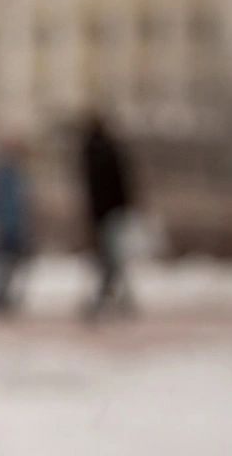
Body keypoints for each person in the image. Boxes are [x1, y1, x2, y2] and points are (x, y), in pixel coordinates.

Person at [77, 112, 137, 320]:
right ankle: (110, 300)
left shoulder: (89, 151)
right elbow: (121, 182)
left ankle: (112, 300)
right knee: (112, 259)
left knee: (110, 259)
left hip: (99, 213)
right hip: (111, 212)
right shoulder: (108, 150)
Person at [0, 136, 32, 316]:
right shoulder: (1, 173)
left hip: (13, 223)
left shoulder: (18, 173)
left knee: (10, 262)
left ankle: (2, 295)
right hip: (3, 223)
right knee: (2, 262)